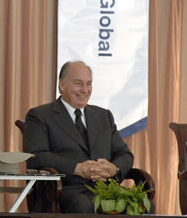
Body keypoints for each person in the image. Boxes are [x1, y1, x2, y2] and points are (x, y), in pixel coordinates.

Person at [23, 61, 134, 213]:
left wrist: (114, 169)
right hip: (64, 190)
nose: (85, 90)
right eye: (78, 84)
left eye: (89, 84)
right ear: (62, 85)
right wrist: (77, 168)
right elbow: (36, 157)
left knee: (143, 204)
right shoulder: (40, 116)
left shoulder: (103, 116)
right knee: (82, 204)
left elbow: (124, 154)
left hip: (105, 189)